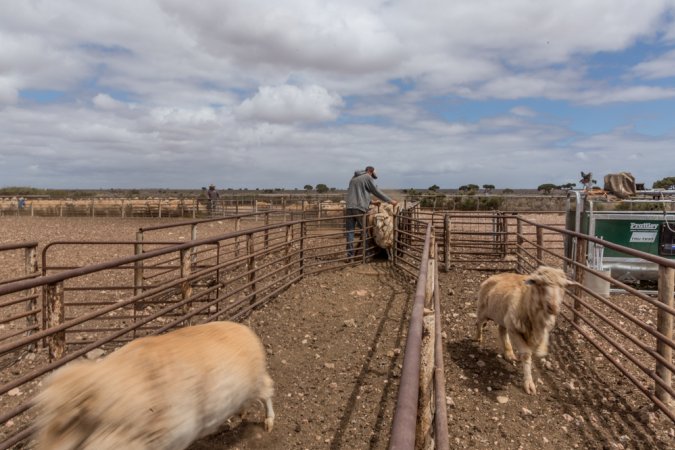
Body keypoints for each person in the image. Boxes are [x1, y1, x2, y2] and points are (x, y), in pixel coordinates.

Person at [345, 166, 398, 258]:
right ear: (371, 171)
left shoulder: (353, 178)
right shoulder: (367, 177)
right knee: (365, 231)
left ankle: (350, 255)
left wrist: (372, 202)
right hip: (360, 208)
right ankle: (367, 254)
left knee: (350, 232)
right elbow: (376, 191)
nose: (373, 177)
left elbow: (359, 194)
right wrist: (390, 201)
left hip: (349, 207)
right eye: (373, 174)